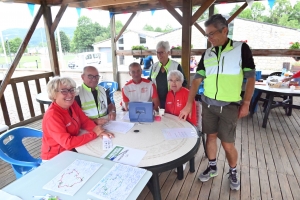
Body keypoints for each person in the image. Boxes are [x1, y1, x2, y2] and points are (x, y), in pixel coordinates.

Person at [179, 14, 255, 191]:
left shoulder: (241, 48)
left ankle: (233, 171)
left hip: (230, 106)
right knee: (210, 137)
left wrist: (246, 103)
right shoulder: (207, 53)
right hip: (208, 104)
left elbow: (250, 78)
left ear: (225, 30)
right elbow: (197, 80)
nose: (209, 38)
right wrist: (189, 103)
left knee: (228, 144)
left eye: (212, 34)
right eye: (207, 35)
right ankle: (213, 167)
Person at [41, 77, 114, 160]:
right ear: (53, 94)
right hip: (55, 157)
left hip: (73, 150)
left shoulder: (72, 104)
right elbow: (68, 143)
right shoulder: (52, 116)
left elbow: (84, 121)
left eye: (72, 90)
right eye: (64, 91)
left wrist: (99, 131)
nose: (70, 94)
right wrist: (94, 133)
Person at [148, 41, 187, 109]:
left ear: (168, 52)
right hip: (157, 101)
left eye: (162, 52)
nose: (159, 55)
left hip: (173, 100)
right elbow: (150, 81)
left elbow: (184, 82)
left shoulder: (176, 66)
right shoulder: (154, 66)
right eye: (157, 52)